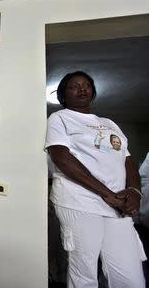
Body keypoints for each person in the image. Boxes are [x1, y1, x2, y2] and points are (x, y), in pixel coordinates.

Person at [45, 71, 146, 287]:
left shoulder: (109, 123)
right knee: (84, 272)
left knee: (131, 275)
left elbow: (127, 159)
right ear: (63, 95)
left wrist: (135, 192)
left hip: (117, 205)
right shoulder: (59, 118)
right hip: (79, 201)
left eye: (86, 85)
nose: (82, 88)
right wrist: (107, 194)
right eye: (74, 86)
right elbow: (61, 157)